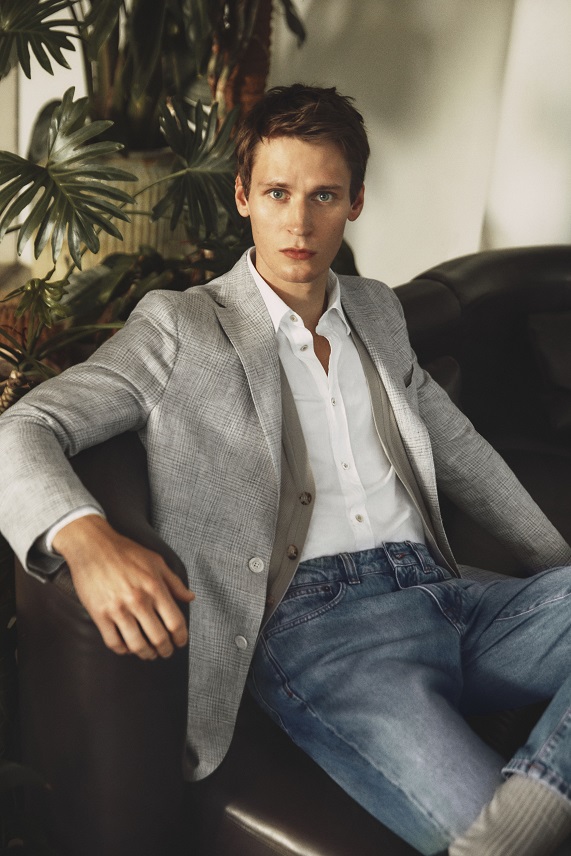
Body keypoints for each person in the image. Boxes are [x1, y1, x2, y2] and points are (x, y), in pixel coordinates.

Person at [1, 83, 571, 856]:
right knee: (504, 835)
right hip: (322, 636)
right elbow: (24, 426)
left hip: (448, 595)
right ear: (243, 196)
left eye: (323, 196)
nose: (298, 222)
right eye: (277, 193)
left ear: (355, 202)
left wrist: (553, 575)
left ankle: (535, 804)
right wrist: (84, 537)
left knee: (521, 825)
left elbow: (459, 448)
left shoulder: (376, 311)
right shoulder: (179, 327)